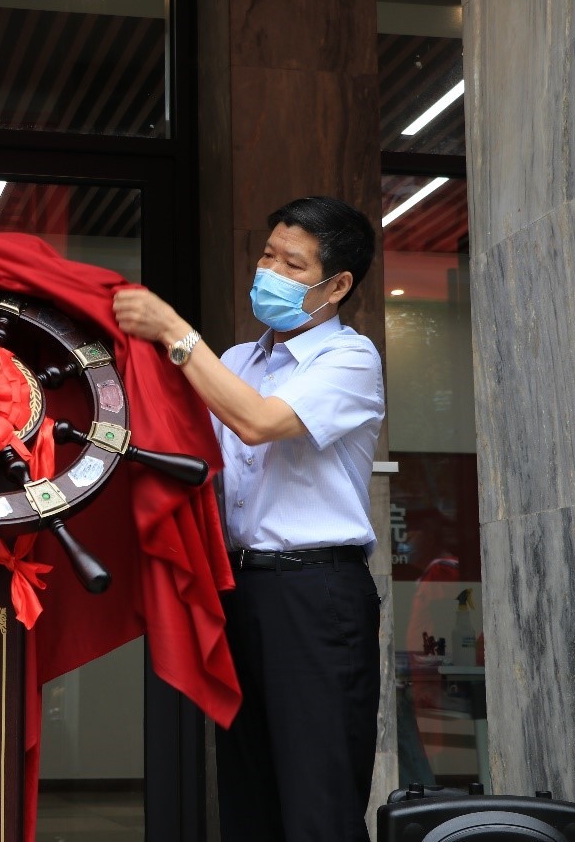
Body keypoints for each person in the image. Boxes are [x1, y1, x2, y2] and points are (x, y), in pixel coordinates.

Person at [113, 195, 384, 841]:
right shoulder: (236, 361)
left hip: (316, 594)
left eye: (293, 264)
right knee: (247, 791)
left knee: (316, 797)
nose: (269, 272)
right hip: (239, 587)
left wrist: (173, 331)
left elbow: (258, 422)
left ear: (336, 285)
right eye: (267, 255)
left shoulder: (349, 359)